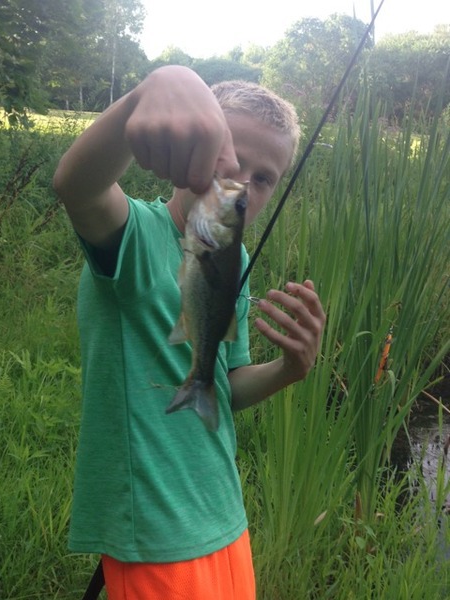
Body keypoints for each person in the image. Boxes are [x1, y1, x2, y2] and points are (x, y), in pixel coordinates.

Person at [53, 65, 326, 600]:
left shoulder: (232, 258)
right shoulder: (134, 234)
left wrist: (289, 369)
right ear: (189, 148)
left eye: (264, 178)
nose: (243, 185)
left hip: (221, 514)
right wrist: (156, 87)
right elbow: (76, 186)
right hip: (157, 530)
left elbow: (222, 383)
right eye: (230, 159)